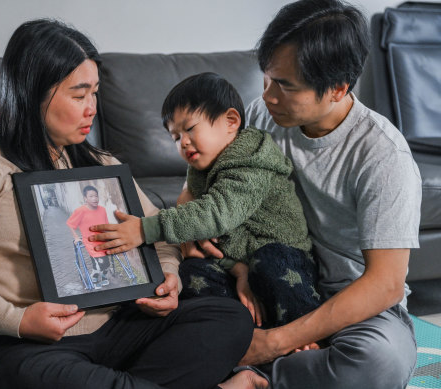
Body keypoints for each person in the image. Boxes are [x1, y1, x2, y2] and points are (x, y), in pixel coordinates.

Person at [0, 19, 253, 389]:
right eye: (78, 95)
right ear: (32, 93)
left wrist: (167, 278)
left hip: (113, 331)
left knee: (228, 318)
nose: (91, 108)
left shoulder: (101, 164)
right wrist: (17, 320)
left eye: (95, 93)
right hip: (15, 344)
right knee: (37, 376)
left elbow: (159, 232)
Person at [167, 1, 422, 388]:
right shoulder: (258, 116)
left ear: (338, 88)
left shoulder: (383, 155)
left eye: (285, 85)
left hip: (353, 305)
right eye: (267, 78)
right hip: (261, 280)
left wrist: (275, 341)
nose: (268, 96)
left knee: (377, 363)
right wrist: (196, 235)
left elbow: (385, 284)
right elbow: (193, 189)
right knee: (174, 308)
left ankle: (251, 374)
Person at [90, 72, 322, 329]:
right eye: (176, 137)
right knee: (191, 274)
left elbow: (217, 215)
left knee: (271, 262)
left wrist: (145, 229)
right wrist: (236, 268)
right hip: (238, 261)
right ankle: (237, 329)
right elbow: (210, 239)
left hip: (284, 258)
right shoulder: (200, 171)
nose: (183, 142)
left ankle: (303, 328)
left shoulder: (252, 160)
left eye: (189, 128)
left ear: (231, 121)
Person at [67, 185, 111, 288]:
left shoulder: (102, 210)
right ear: (85, 198)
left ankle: (104, 277)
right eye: (91, 196)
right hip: (91, 242)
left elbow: (106, 225)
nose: (95, 198)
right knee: (99, 264)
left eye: (96, 196)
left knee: (107, 264)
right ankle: (94, 278)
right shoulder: (81, 211)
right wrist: (76, 237)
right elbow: (70, 224)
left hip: (103, 240)